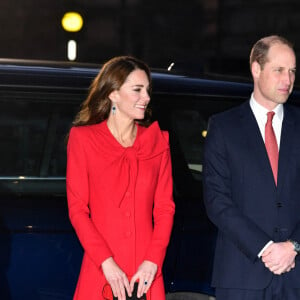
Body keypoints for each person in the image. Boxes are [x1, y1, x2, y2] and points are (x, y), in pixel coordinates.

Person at [66, 56, 175, 300]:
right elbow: (78, 209)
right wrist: (106, 261)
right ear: (113, 94)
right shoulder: (83, 140)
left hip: (145, 274)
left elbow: (165, 209)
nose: (146, 97)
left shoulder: (157, 142)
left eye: (147, 90)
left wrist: (152, 261)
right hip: (102, 269)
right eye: (137, 89)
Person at [203, 35, 300, 299]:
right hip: (241, 274)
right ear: (256, 69)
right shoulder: (224, 127)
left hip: (296, 276)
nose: (288, 80)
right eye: (279, 70)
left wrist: (293, 246)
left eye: (292, 71)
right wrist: (266, 248)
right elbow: (217, 200)